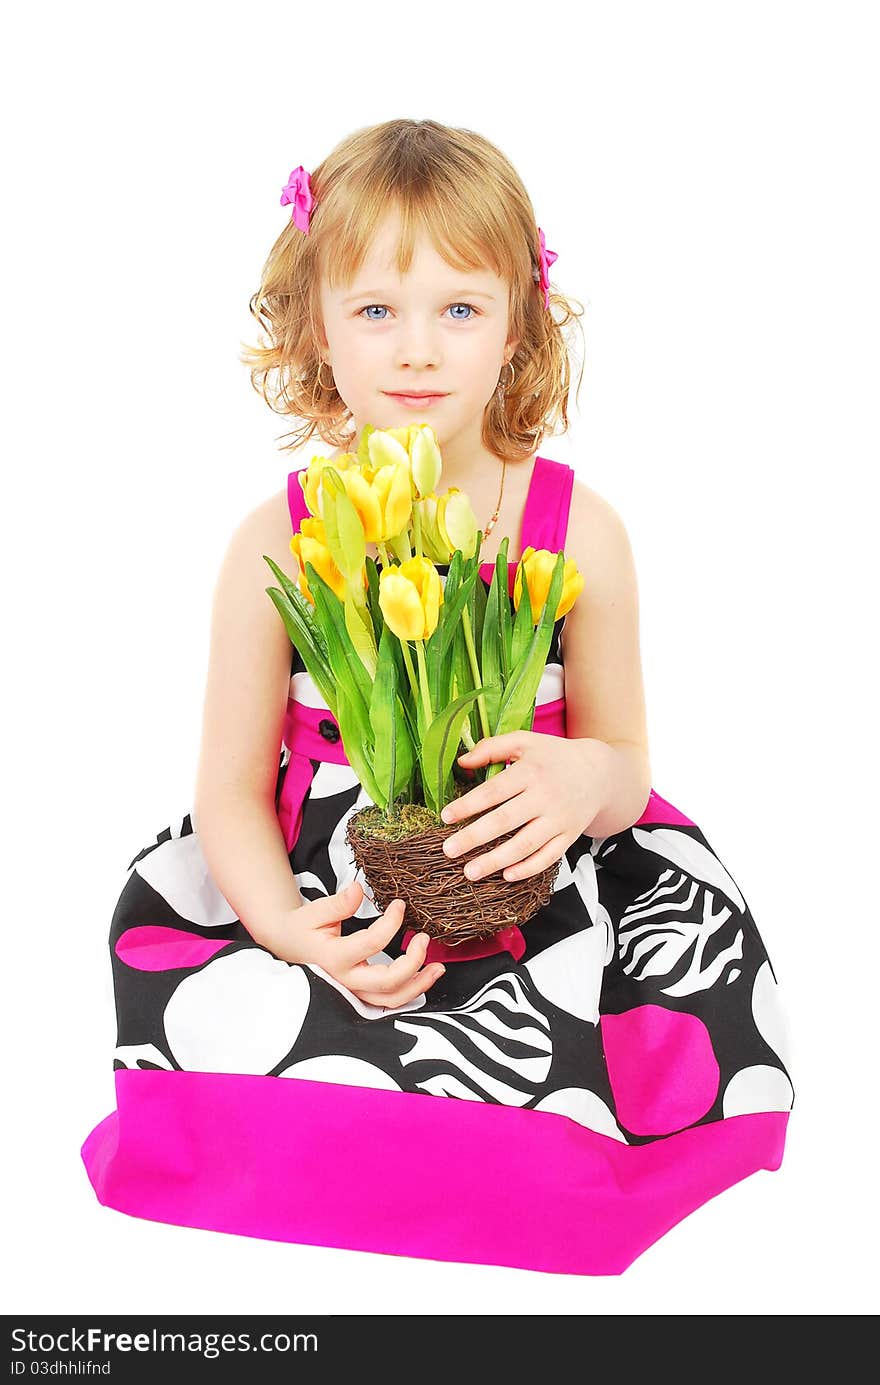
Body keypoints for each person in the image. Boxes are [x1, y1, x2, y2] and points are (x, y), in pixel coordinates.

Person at [80, 118, 793, 1276]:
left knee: (573, 1048)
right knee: (268, 1026)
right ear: (316, 322)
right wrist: (283, 925)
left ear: (520, 323)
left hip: (531, 874)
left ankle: (523, 1150)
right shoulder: (281, 538)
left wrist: (583, 776)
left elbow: (625, 761)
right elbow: (224, 787)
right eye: (375, 309)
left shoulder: (579, 529)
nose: (417, 351)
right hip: (340, 888)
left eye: (459, 309)